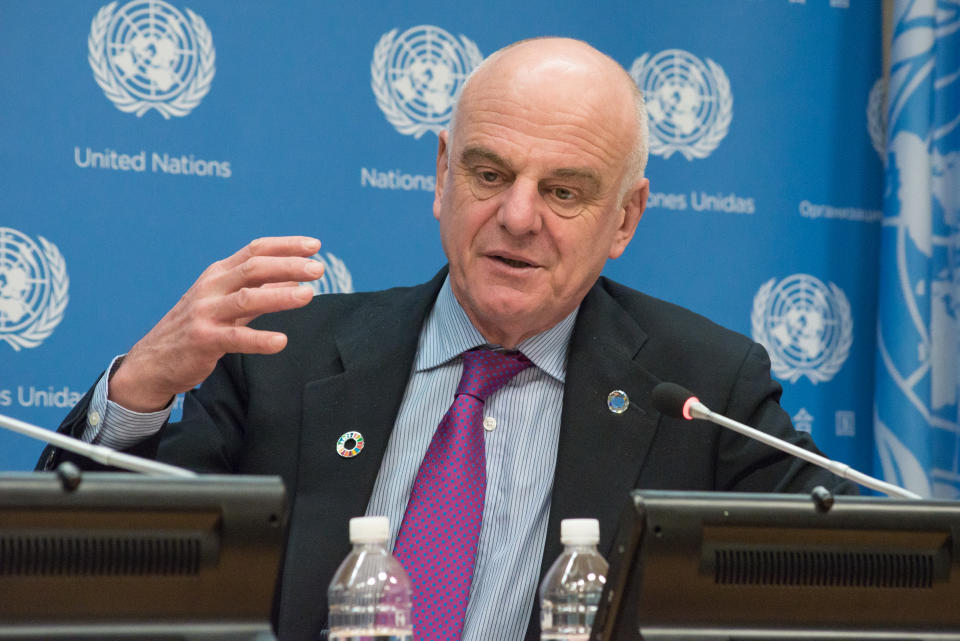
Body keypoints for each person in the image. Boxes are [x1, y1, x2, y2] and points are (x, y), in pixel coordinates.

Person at [41, 38, 853, 641]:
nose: (518, 216)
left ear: (626, 219)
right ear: (441, 174)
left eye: (564, 190)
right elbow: (83, 573)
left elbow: (859, 572)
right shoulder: (283, 359)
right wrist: (139, 388)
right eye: (490, 174)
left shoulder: (702, 388)